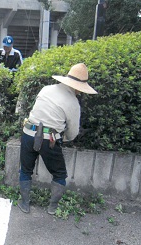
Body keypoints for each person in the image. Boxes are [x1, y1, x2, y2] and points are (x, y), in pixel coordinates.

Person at [18, 63, 98, 214]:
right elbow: (73, 133)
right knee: (60, 174)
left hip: (28, 133)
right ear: (78, 87)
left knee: (25, 170)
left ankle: (24, 203)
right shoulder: (73, 103)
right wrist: (64, 138)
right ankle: (52, 207)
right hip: (50, 139)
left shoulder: (46, 89)